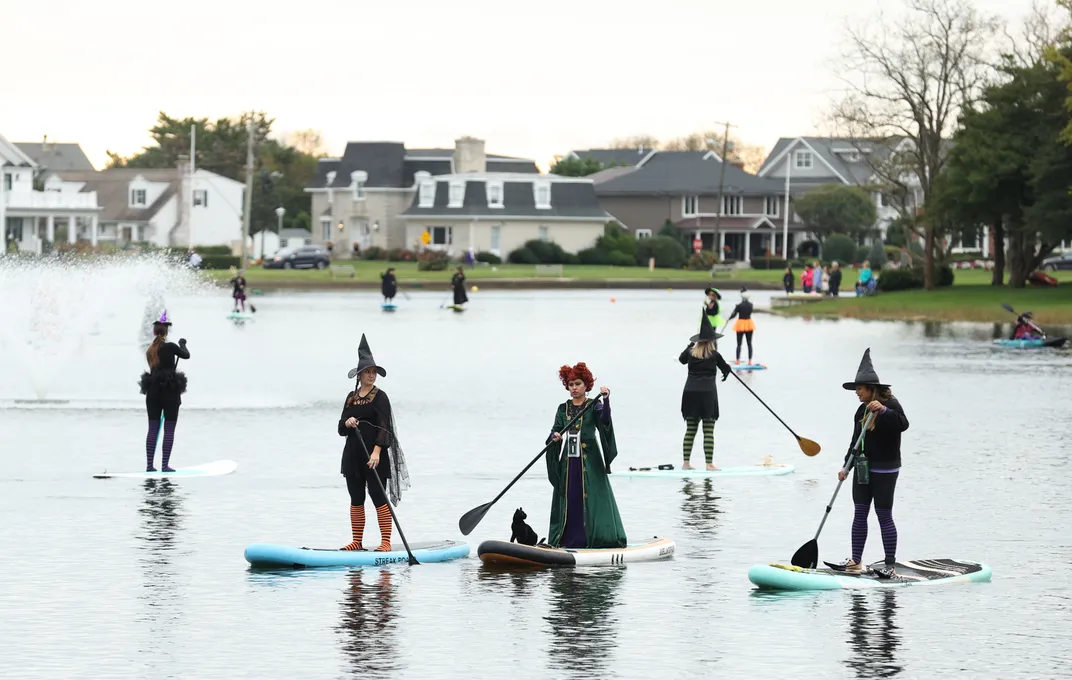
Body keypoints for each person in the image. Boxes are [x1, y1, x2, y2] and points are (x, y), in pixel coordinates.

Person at [836, 348, 909, 578]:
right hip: (862, 469)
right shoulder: (861, 409)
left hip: (886, 469)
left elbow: (903, 424)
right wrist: (846, 466)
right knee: (859, 513)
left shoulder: (892, 405)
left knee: (883, 514)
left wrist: (884, 410)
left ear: (871, 389)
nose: (857, 393)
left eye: (859, 389)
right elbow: (854, 441)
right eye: (856, 389)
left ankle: (890, 565)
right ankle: (856, 561)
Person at [337, 334, 411, 552]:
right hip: (353, 455)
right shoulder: (350, 397)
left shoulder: (380, 396)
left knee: (378, 497)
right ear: (359, 375)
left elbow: (385, 427)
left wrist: (377, 452)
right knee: (356, 497)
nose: (371, 375)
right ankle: (357, 542)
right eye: (367, 372)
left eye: (373, 372)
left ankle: (386, 542)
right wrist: (348, 422)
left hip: (374, 456)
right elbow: (340, 429)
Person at [545, 362, 626, 549]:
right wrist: (554, 437)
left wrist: (606, 400)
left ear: (586, 385)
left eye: (578, 384)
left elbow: (605, 421)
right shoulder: (562, 408)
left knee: (591, 499)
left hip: (590, 461)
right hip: (569, 461)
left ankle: (596, 538)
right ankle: (566, 539)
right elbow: (554, 430)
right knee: (570, 496)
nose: (574, 388)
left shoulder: (593, 405)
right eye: (571, 384)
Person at [678, 313, 731, 470]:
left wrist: (690, 346)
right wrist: (727, 371)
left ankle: (686, 463)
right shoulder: (714, 355)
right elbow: (726, 369)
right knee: (708, 429)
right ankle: (709, 464)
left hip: (690, 393)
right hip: (707, 394)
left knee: (690, 429)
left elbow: (681, 360)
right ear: (712, 340)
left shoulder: (690, 353)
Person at [139, 311, 189, 472]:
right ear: (166, 331)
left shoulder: (150, 350)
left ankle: (149, 466)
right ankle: (165, 466)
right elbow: (186, 355)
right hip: (169, 391)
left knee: (153, 428)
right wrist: (182, 343)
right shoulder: (171, 346)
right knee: (169, 427)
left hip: (152, 391)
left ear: (155, 331)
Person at [725, 289, 756, 364]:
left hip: (740, 324)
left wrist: (728, 319)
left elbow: (734, 314)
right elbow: (749, 312)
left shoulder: (739, 306)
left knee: (739, 343)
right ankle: (750, 361)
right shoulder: (751, 305)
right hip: (749, 323)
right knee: (749, 343)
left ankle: (738, 360)